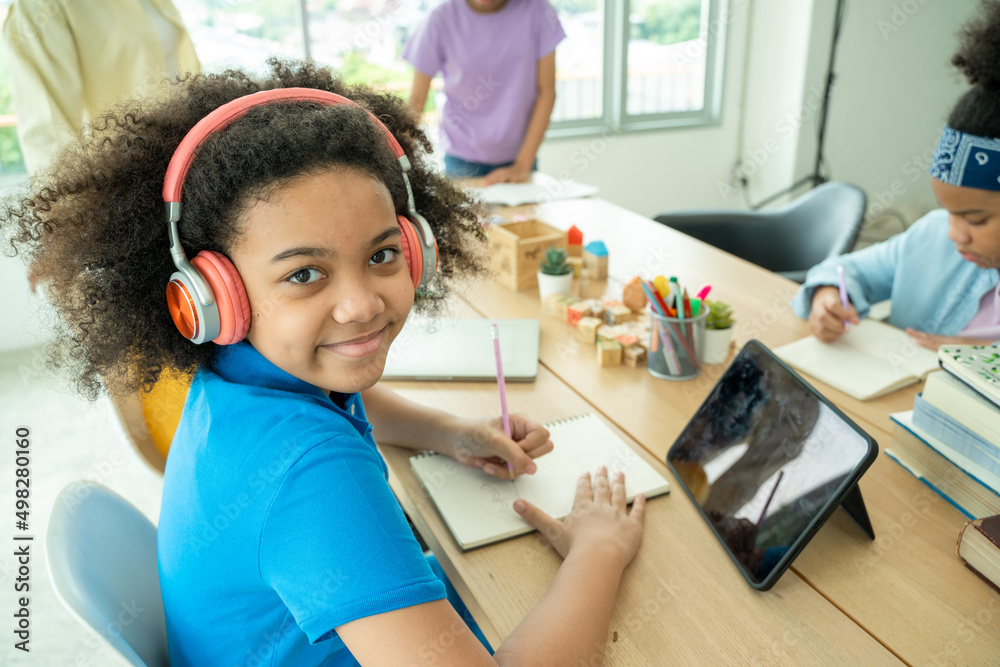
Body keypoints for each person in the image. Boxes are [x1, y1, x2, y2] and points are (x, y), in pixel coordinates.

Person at [0, 59, 646, 666]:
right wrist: (598, 551)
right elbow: (311, 474)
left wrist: (450, 432)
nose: (361, 304)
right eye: (305, 273)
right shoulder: (309, 473)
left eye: (383, 255)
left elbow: (346, 402)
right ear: (211, 298)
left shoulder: (242, 373)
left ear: (417, 249)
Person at [792, 0, 1000, 351]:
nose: (954, 232)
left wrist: (978, 360)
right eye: (949, 211)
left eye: (975, 219)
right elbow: (846, 270)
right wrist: (826, 296)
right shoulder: (931, 238)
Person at [3, 0, 200, 174]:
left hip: (192, 161)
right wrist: (68, 212)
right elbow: (48, 138)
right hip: (126, 181)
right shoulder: (41, 6)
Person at [403, 0, 564, 183]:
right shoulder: (440, 18)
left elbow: (547, 93)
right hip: (461, 161)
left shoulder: (537, 10)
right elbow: (416, 103)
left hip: (521, 160)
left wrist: (522, 165)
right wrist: (399, 166)